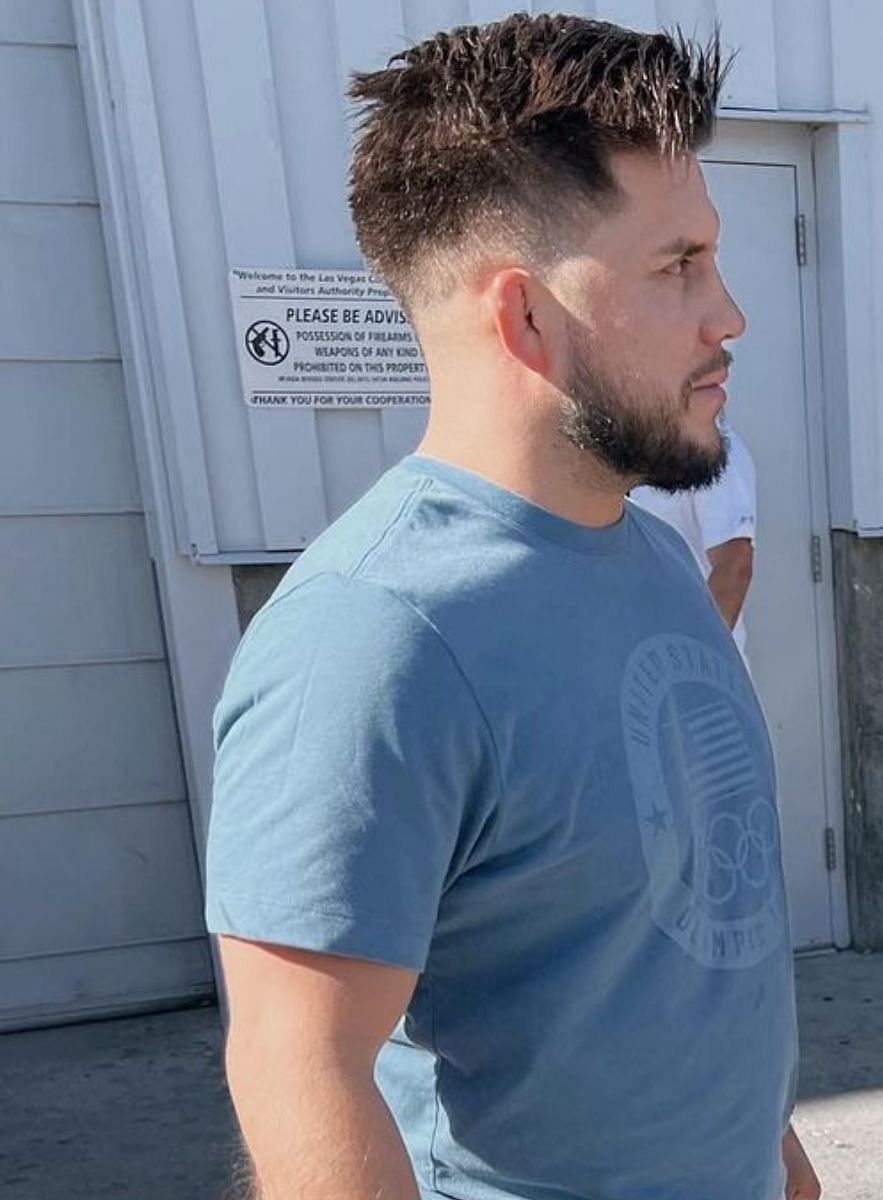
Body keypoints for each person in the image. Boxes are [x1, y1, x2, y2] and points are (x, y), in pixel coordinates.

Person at [203, 16, 818, 1200]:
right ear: (526, 316)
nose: (728, 314)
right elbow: (300, 1076)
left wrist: (782, 1168)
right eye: (676, 265)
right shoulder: (372, 636)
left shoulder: (651, 558)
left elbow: (685, 949)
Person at [631, 414, 757, 655]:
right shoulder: (640, 450)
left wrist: (694, 656)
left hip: (688, 670)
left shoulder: (717, 449)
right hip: (641, 662)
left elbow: (735, 567)